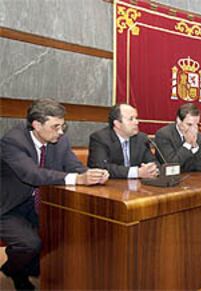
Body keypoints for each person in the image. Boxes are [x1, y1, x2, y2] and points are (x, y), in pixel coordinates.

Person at [0, 99, 109, 290]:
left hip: (42, 204)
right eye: (56, 126)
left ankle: (33, 268)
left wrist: (91, 174)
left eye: (62, 125)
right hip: (9, 207)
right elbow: (32, 174)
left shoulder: (60, 140)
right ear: (36, 125)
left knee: (65, 234)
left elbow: (74, 167)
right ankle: (13, 270)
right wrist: (77, 179)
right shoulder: (12, 141)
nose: (61, 131)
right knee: (30, 244)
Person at [88, 103, 159, 178]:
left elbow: (153, 162)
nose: (137, 122)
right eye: (131, 119)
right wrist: (136, 172)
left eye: (136, 118)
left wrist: (152, 169)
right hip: (111, 187)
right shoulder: (100, 138)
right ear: (117, 124)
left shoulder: (141, 138)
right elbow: (100, 167)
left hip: (137, 187)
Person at [154, 103, 201, 172]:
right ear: (179, 120)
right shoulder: (163, 135)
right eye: (189, 124)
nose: (193, 129)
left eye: (196, 124)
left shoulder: (198, 136)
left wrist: (194, 147)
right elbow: (171, 166)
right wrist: (188, 144)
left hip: (191, 179)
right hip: (169, 179)